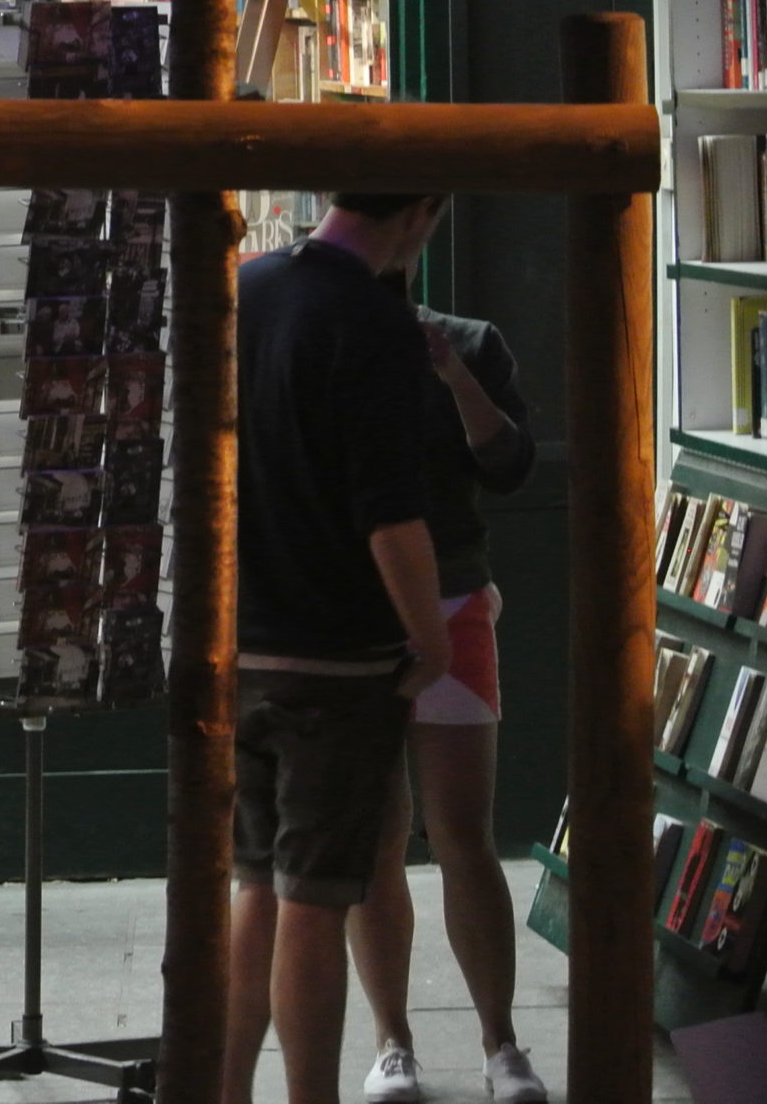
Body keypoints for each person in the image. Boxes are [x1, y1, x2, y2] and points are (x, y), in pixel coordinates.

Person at [225, 191, 456, 1104]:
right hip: (338, 656)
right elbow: (390, 516)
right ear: (423, 213)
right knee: (314, 900)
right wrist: (430, 640)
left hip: (240, 637)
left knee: (252, 887)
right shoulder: (377, 322)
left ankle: (226, 1087)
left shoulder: (245, 290)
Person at [349, 265, 545, 1104]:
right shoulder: (323, 340)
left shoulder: (470, 342)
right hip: (350, 613)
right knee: (376, 835)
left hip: (456, 599)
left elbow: (510, 467)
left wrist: (451, 372)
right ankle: (393, 1044)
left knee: (464, 830)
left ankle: (501, 1044)